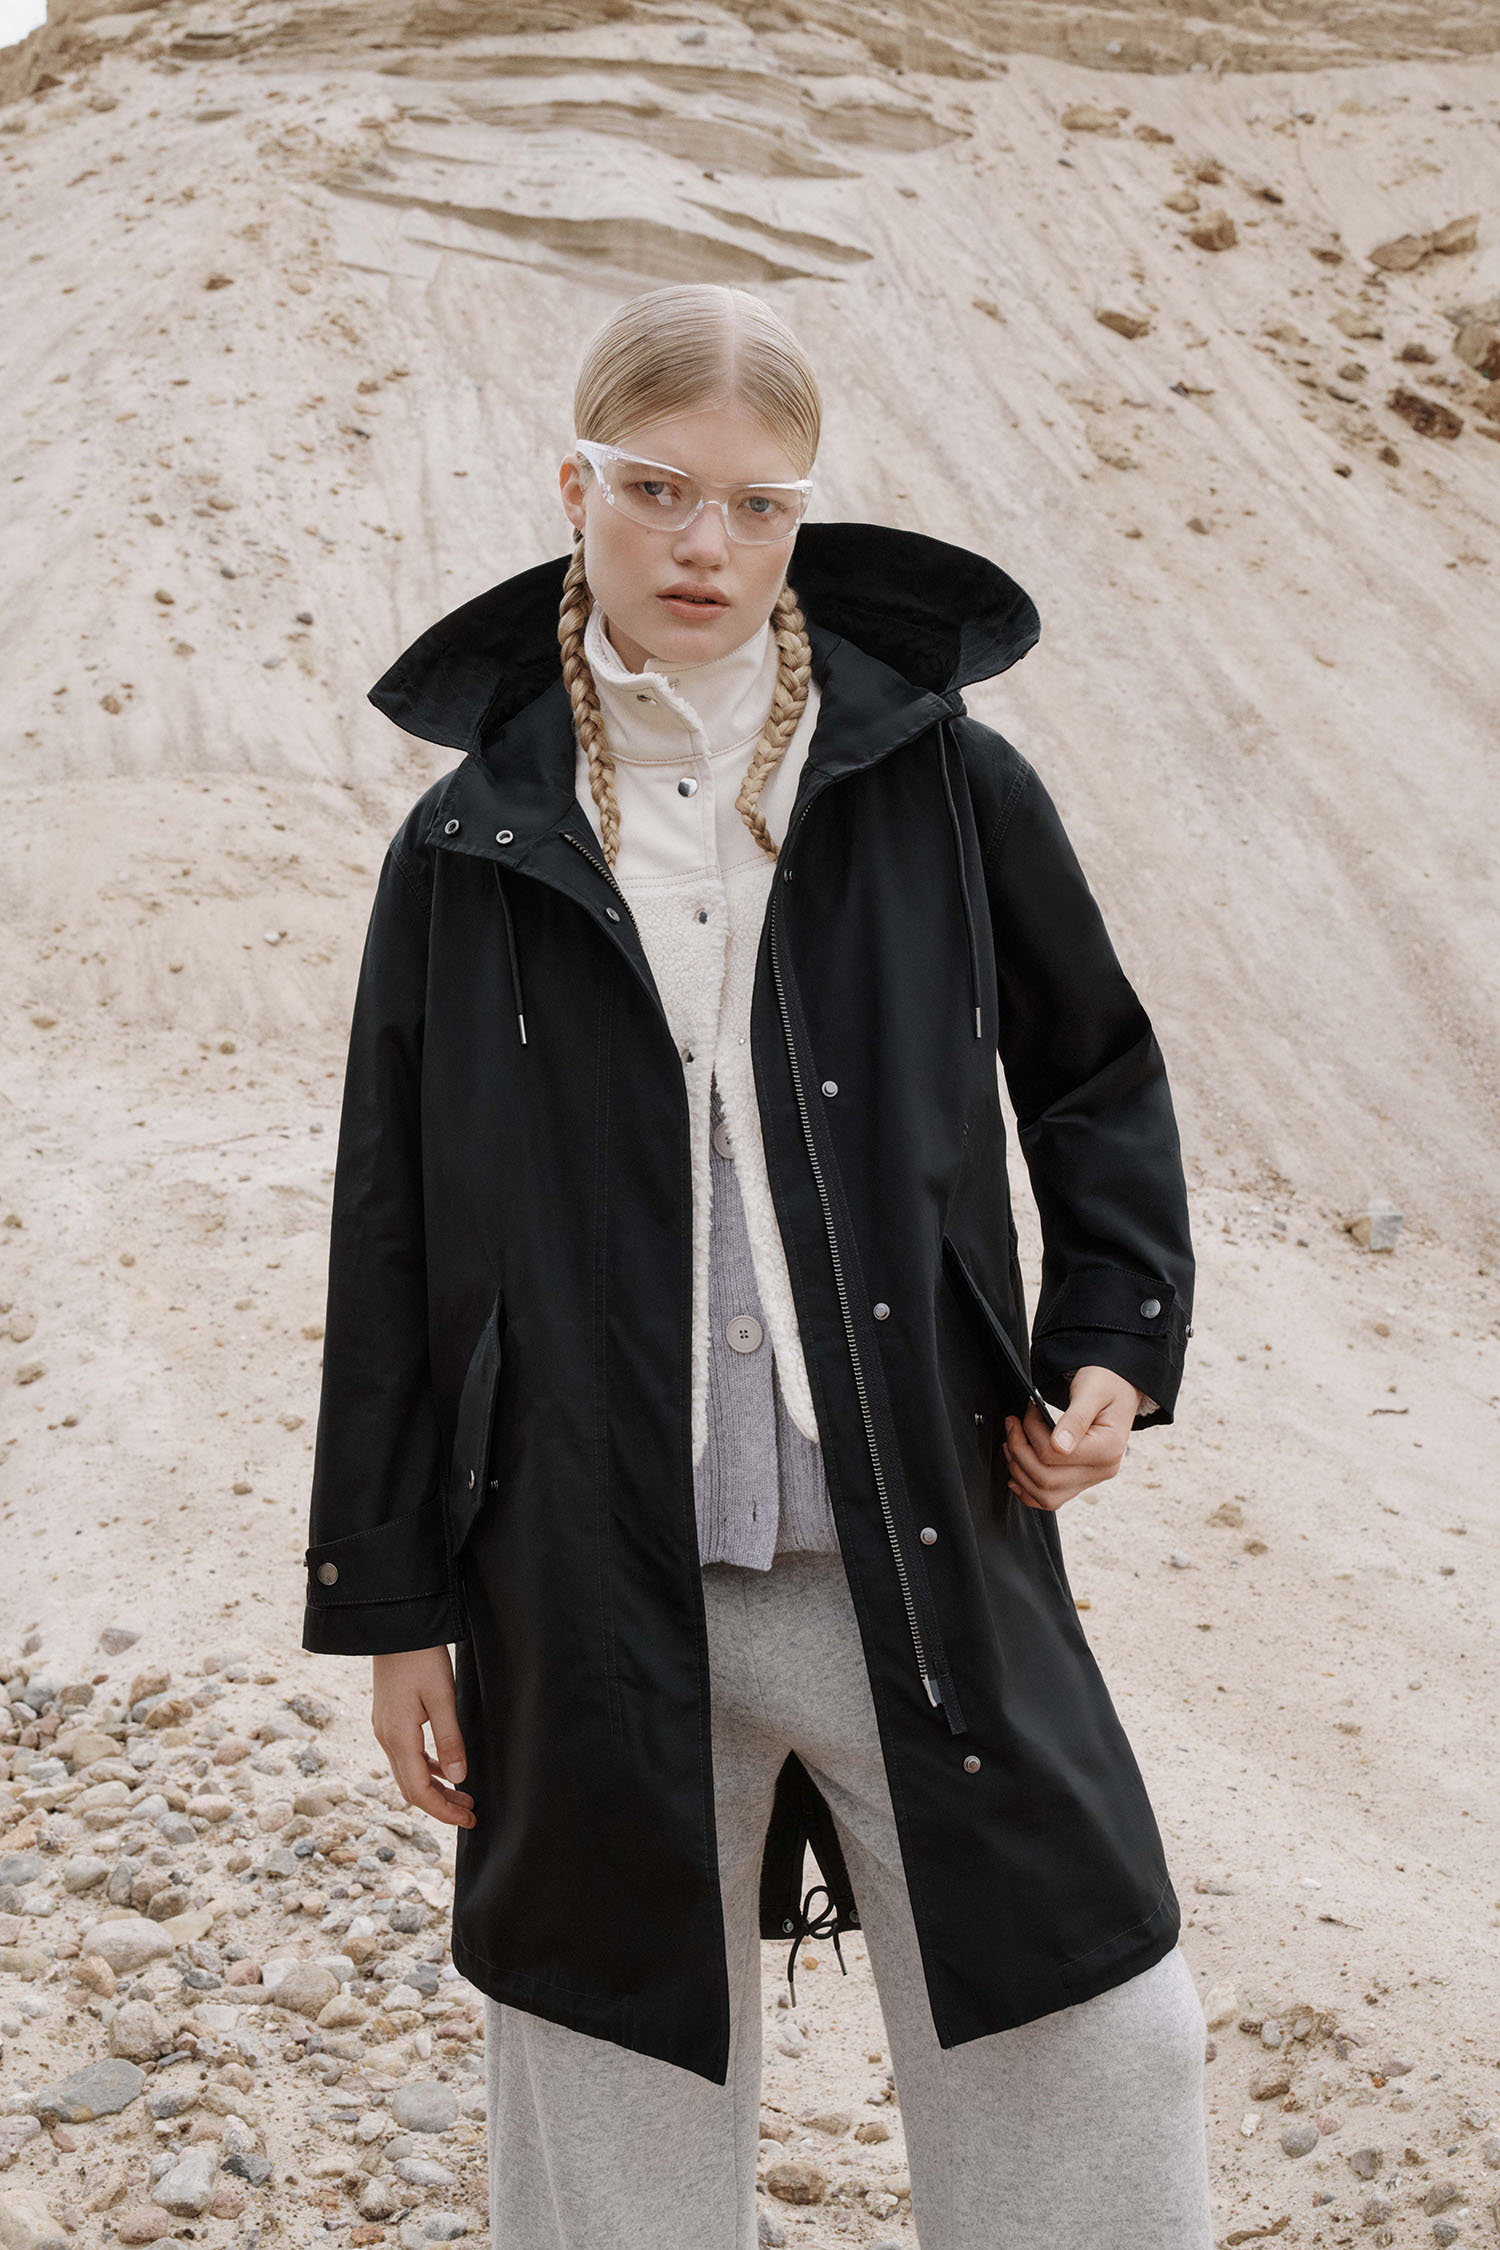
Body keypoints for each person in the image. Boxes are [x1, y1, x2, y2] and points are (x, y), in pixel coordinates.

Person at [303, 282, 1210, 2250]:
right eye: (657, 489)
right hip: (580, 1574)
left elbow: (1095, 1073)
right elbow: (394, 1227)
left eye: (758, 503)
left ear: (804, 514)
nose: (705, 543)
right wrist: (394, 1607)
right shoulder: (467, 843)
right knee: (604, 2113)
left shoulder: (942, 783)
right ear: (576, 489)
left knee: (1101, 2041)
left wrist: (1112, 1336)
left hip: (923, 1548)